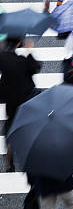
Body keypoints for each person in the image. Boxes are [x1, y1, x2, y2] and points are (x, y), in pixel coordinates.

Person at [0, 38, 41, 172]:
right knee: (26, 127)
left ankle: (9, 160)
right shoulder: (22, 62)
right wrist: (29, 51)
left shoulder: (3, 58)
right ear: (18, 44)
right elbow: (35, 67)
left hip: (10, 100)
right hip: (24, 99)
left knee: (10, 126)